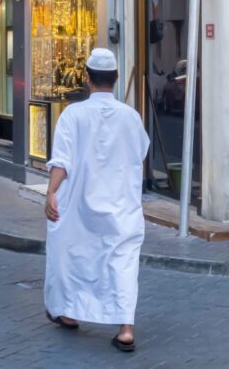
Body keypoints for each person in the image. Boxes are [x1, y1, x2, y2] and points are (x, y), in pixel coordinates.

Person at [43, 48, 150, 353]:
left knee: (72, 253)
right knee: (123, 263)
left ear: (87, 78)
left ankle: (69, 312)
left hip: (80, 203)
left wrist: (51, 192)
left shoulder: (72, 115)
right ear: (116, 78)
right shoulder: (131, 116)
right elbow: (140, 154)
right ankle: (126, 328)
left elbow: (61, 162)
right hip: (122, 204)